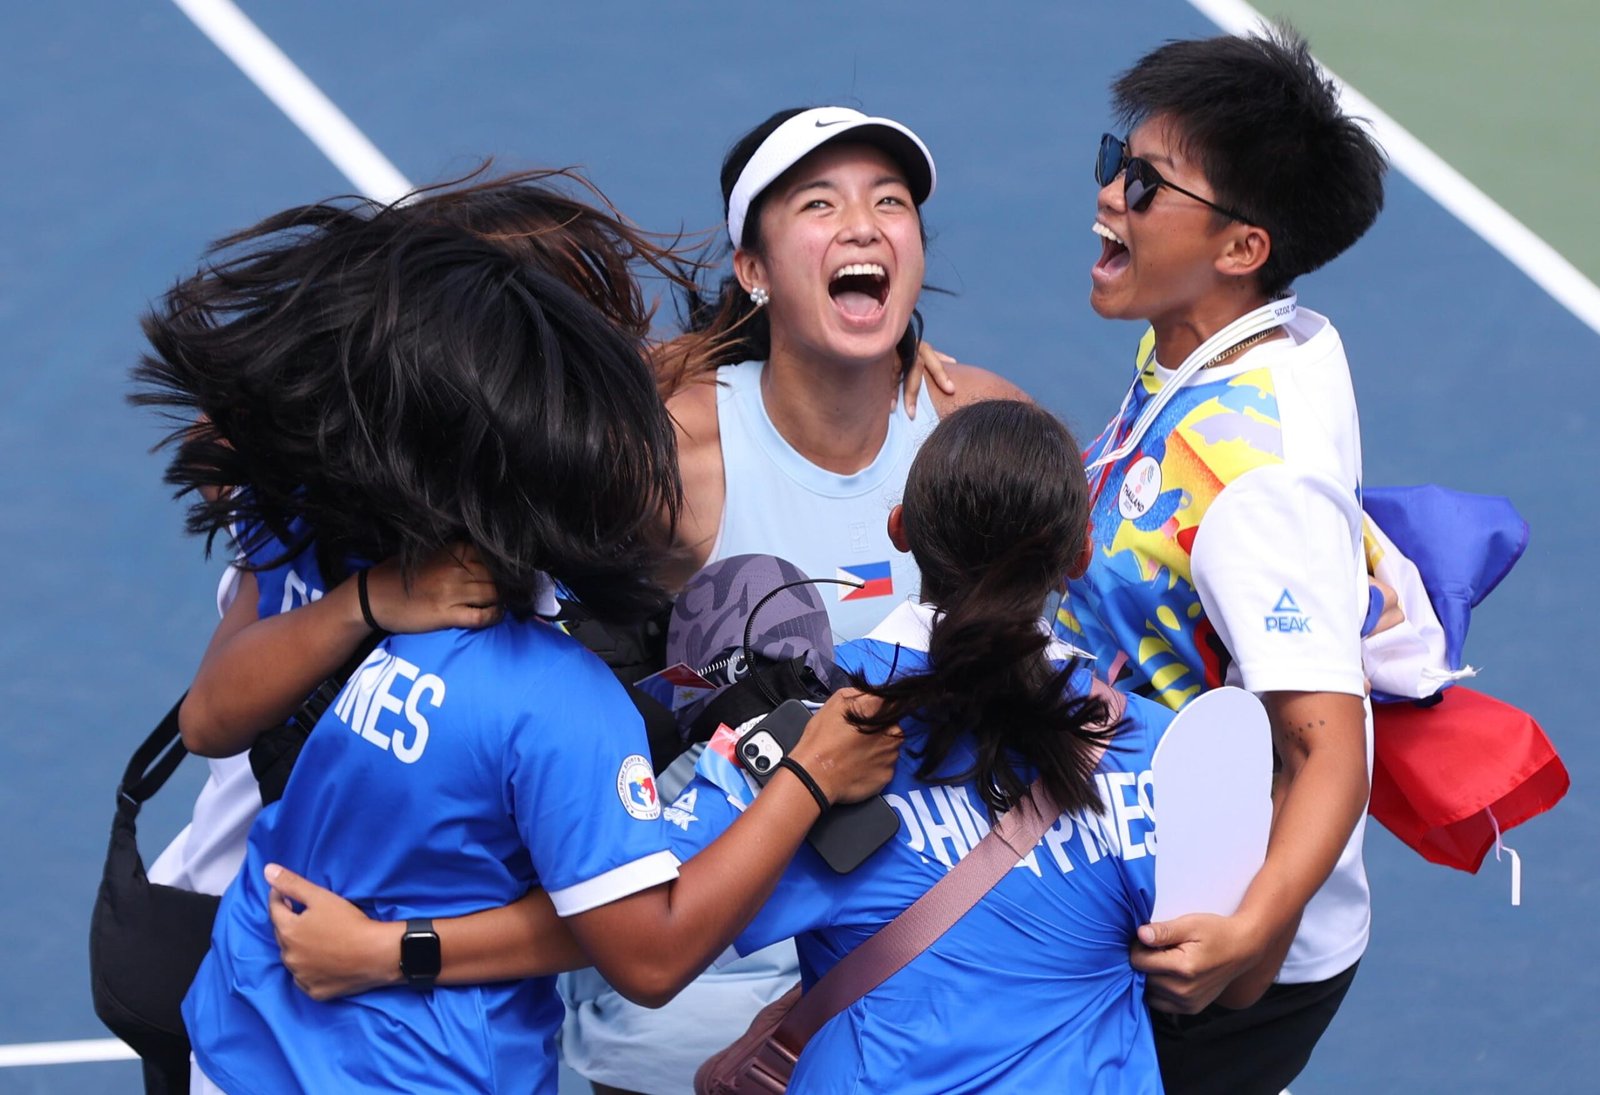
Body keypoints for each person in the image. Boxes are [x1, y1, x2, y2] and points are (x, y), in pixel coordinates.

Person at [135, 173, 901, 1094]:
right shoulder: (544, 685)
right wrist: (807, 780)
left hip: (254, 1006)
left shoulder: (402, 543)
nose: (626, 366)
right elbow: (638, 938)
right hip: (354, 1019)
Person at [662, 399, 1188, 1092]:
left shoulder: (810, 721)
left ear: (900, 528)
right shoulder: (1161, 750)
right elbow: (1229, 978)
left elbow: (648, 924)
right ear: (1080, 555)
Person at [1054, 26, 1388, 1094]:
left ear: (1242, 248)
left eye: (1144, 185)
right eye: (1117, 161)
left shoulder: (1257, 482)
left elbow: (1327, 748)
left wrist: (1249, 933)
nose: (1109, 195)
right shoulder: (1223, 342)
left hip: (1217, 933)